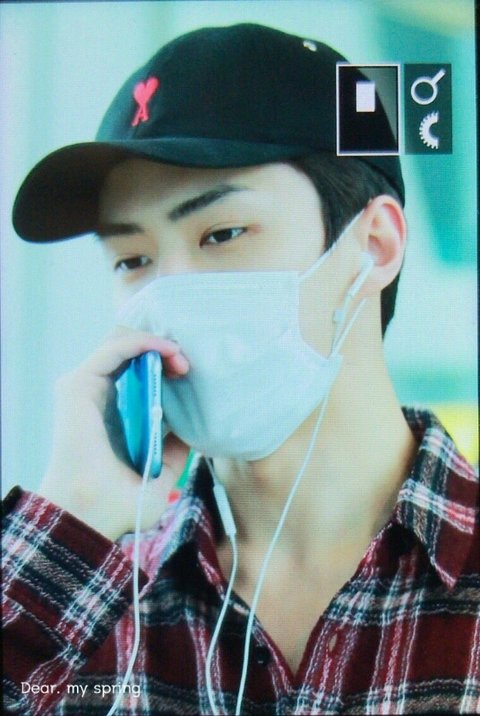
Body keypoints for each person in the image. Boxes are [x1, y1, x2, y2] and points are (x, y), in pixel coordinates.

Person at [3, 23, 478, 716]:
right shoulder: (91, 599)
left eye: (222, 233)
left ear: (375, 244)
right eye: (132, 259)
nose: (167, 293)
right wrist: (70, 517)